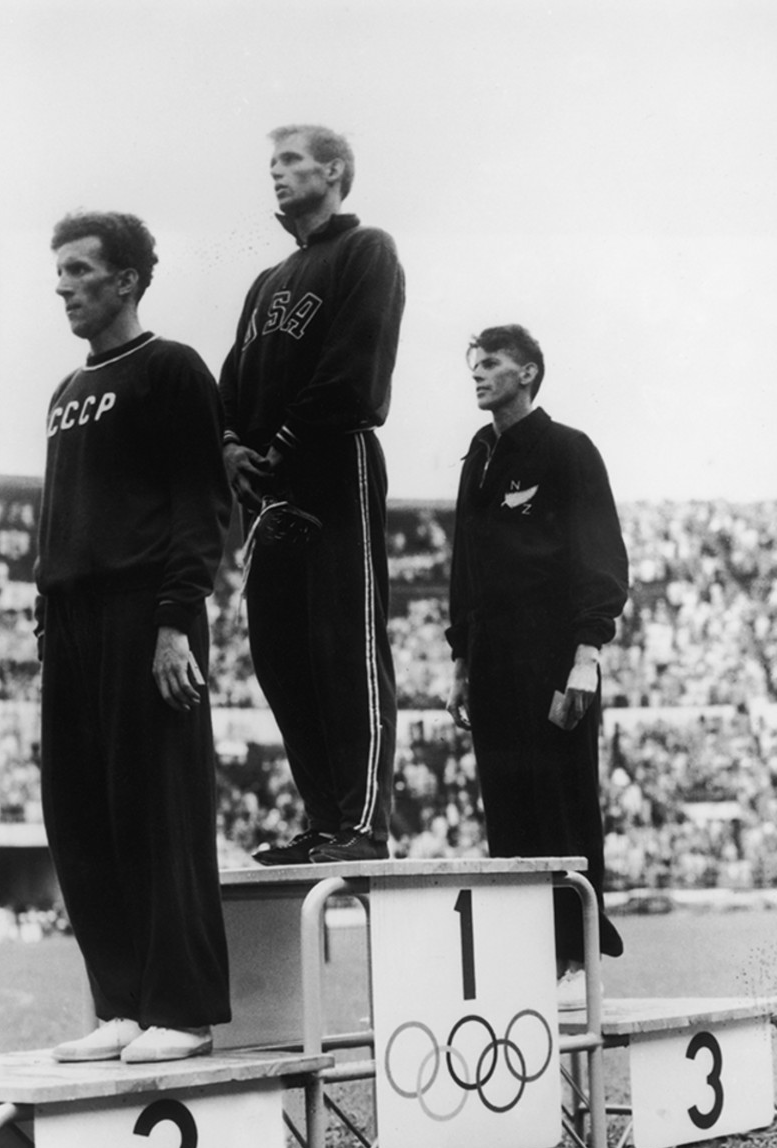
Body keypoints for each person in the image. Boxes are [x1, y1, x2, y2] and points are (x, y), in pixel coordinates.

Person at [35, 211, 231, 1063]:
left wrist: (174, 621)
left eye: (80, 270)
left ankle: (181, 1010)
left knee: (158, 811)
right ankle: (119, 1002)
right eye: (60, 272)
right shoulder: (65, 394)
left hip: (145, 612)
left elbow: (200, 504)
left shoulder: (171, 369)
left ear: (126, 280)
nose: (64, 286)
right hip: (71, 621)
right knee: (79, 814)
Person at [219, 124, 405, 865]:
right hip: (267, 489)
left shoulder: (367, 250)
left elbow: (358, 372)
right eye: (270, 162)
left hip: (332, 466)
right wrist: (230, 448)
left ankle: (363, 823)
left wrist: (281, 445)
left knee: (344, 646)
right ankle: (325, 821)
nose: (276, 172)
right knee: (281, 656)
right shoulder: (266, 283)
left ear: (335, 171)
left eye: (291, 160)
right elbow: (231, 388)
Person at [445, 325, 628, 1006]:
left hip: (554, 655)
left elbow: (602, 555)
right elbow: (464, 569)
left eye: (490, 362)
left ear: (528, 371)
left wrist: (587, 654)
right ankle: (531, 959)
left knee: (563, 804)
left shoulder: (567, 449)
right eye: (475, 362)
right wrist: (460, 660)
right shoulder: (478, 459)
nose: (478, 373)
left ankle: (577, 960)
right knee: (510, 815)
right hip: (492, 663)